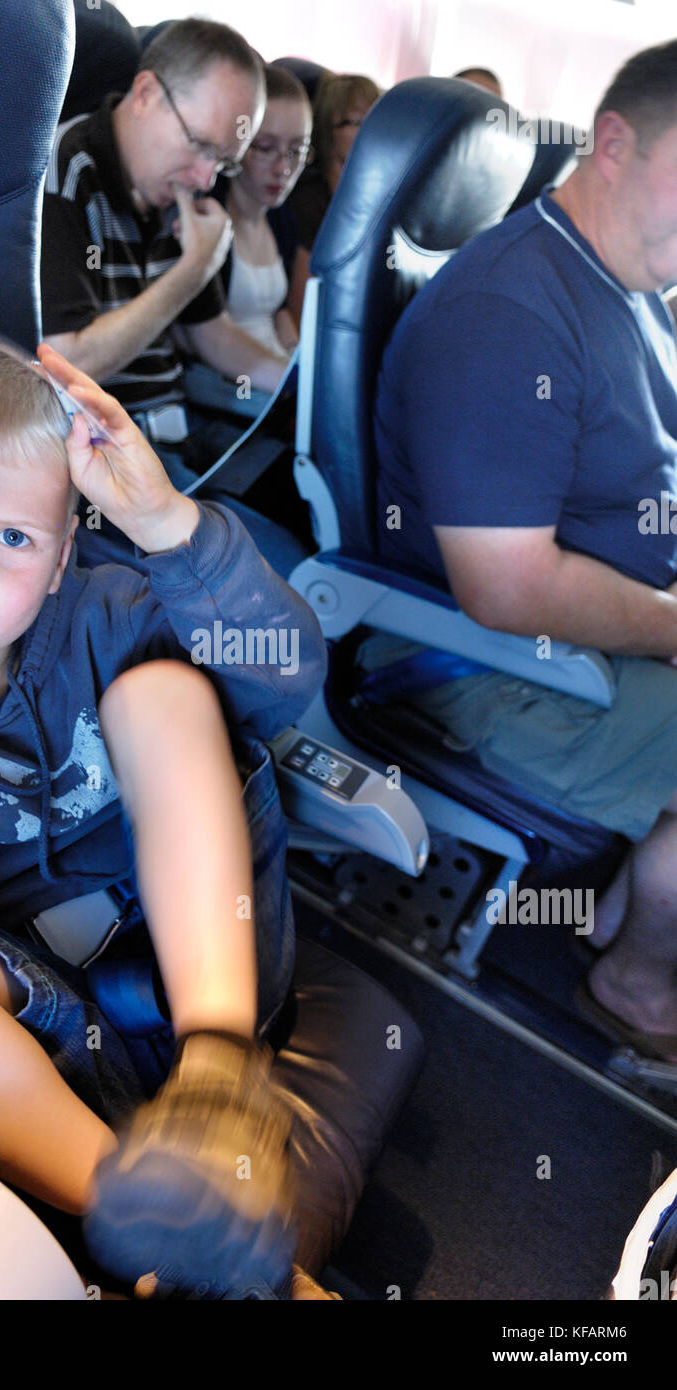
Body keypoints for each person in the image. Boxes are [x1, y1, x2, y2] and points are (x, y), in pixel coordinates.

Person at [0, 335, 329, 1296]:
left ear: (59, 559)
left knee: (161, 696)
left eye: (12, 539)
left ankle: (217, 1099)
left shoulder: (109, 605)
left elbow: (284, 675)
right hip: (29, 1051)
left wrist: (164, 519)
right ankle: (176, 1227)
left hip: (207, 986)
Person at [366, 39, 677, 1062]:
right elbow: (505, 587)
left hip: (604, 634)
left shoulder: (631, 284)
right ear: (612, 142)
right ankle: (637, 980)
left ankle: (631, 897)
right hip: (489, 669)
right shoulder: (512, 312)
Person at [39, 18, 308, 577]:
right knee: (286, 578)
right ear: (146, 95)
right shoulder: (64, 174)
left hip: (183, 431)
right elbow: (69, 361)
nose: (207, 178)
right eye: (201, 146)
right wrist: (192, 270)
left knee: (312, 506)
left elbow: (212, 337)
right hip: (106, 459)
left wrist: (305, 382)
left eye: (224, 162)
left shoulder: (175, 188)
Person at [184, 64, 312, 418]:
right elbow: (200, 336)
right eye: (266, 147)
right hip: (227, 389)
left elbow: (278, 312)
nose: (283, 168)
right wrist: (295, 380)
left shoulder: (282, 218)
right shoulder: (207, 213)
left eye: (297, 151)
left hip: (273, 376)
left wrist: (297, 354)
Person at [286, 72, 381, 327]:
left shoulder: (381, 197)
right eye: (355, 121)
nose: (370, 130)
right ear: (328, 129)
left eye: (376, 118)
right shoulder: (308, 198)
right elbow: (301, 309)